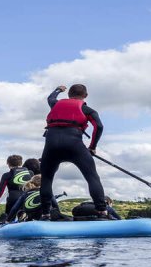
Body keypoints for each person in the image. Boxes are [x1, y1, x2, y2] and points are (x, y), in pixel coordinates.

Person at [37, 83, 108, 219]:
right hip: (74, 145)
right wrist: (92, 147)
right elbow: (99, 126)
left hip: (51, 146)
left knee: (46, 179)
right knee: (92, 177)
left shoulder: (55, 104)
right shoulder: (87, 109)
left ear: (69, 95)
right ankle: (102, 211)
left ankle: (45, 214)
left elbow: (50, 98)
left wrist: (58, 89)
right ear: (85, 96)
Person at [0, 155, 30, 221]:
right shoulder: (30, 173)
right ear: (21, 163)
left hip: (13, 200)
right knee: (24, 217)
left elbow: (0, 191)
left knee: (9, 220)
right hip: (27, 199)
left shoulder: (6, 175)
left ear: (8, 164)